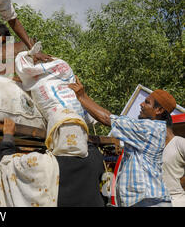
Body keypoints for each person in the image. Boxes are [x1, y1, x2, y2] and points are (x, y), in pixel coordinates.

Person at [68, 76, 176, 207]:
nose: (141, 104)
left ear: (159, 110)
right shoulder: (153, 130)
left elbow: (108, 119)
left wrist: (82, 96)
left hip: (150, 202)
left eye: (147, 102)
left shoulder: (151, 128)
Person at [0, 118, 105, 207]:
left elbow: (7, 164)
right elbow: (87, 144)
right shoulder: (95, 157)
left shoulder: (43, 163)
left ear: (53, 136)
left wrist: (8, 135)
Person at [162, 119, 185, 207]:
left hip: (177, 200)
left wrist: (183, 181)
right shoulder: (153, 147)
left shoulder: (179, 142)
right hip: (157, 199)